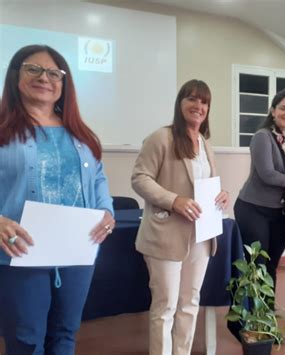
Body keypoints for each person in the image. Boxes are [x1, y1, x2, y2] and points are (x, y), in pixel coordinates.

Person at [0, 45, 114, 354]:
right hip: (21, 251)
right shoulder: (2, 131)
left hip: (77, 249)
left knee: (65, 333)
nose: (44, 78)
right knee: (26, 338)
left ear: (64, 84)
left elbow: (99, 178)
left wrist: (106, 210)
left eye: (54, 73)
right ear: (15, 76)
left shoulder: (80, 133)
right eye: (33, 69)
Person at [131, 79, 229, 355]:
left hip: (201, 235)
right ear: (180, 103)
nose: (198, 106)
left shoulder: (205, 144)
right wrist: (174, 201)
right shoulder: (161, 137)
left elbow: (205, 184)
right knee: (166, 307)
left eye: (204, 101)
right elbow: (139, 178)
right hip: (166, 236)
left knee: (190, 304)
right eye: (192, 99)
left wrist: (222, 195)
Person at [234, 88, 285, 291]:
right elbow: (268, 175)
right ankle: (245, 319)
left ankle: (266, 318)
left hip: (280, 212)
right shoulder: (263, 136)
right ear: (273, 111)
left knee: (271, 266)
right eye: (283, 108)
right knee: (256, 266)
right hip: (253, 209)